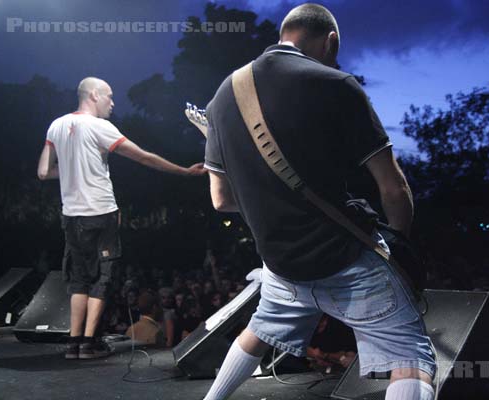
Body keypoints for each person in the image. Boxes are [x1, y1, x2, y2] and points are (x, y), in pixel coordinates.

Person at [201, 4, 435, 400]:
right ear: (331, 41)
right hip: (344, 258)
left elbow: (221, 200)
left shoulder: (222, 96)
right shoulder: (336, 83)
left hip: (282, 264)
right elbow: (393, 189)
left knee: (261, 328)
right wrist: (397, 247)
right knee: (409, 355)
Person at [37, 77, 206, 359]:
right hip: (101, 213)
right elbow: (143, 158)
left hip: (71, 216)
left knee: (79, 280)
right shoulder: (100, 126)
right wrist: (184, 172)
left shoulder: (56, 125)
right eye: (109, 97)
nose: (113, 103)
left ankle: (74, 344)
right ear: (93, 95)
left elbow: (43, 172)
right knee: (102, 278)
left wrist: (72, 171)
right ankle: (89, 344)